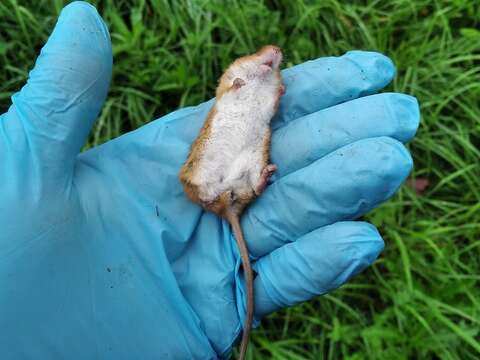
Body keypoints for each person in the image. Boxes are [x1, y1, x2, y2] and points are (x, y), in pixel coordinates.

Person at [0, 2, 419, 359]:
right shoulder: (240, 79)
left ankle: (248, 187)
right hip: (223, 174)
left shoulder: (265, 89)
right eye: (263, 60)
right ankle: (245, 188)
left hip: (234, 173)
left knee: (249, 165)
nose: (272, 58)